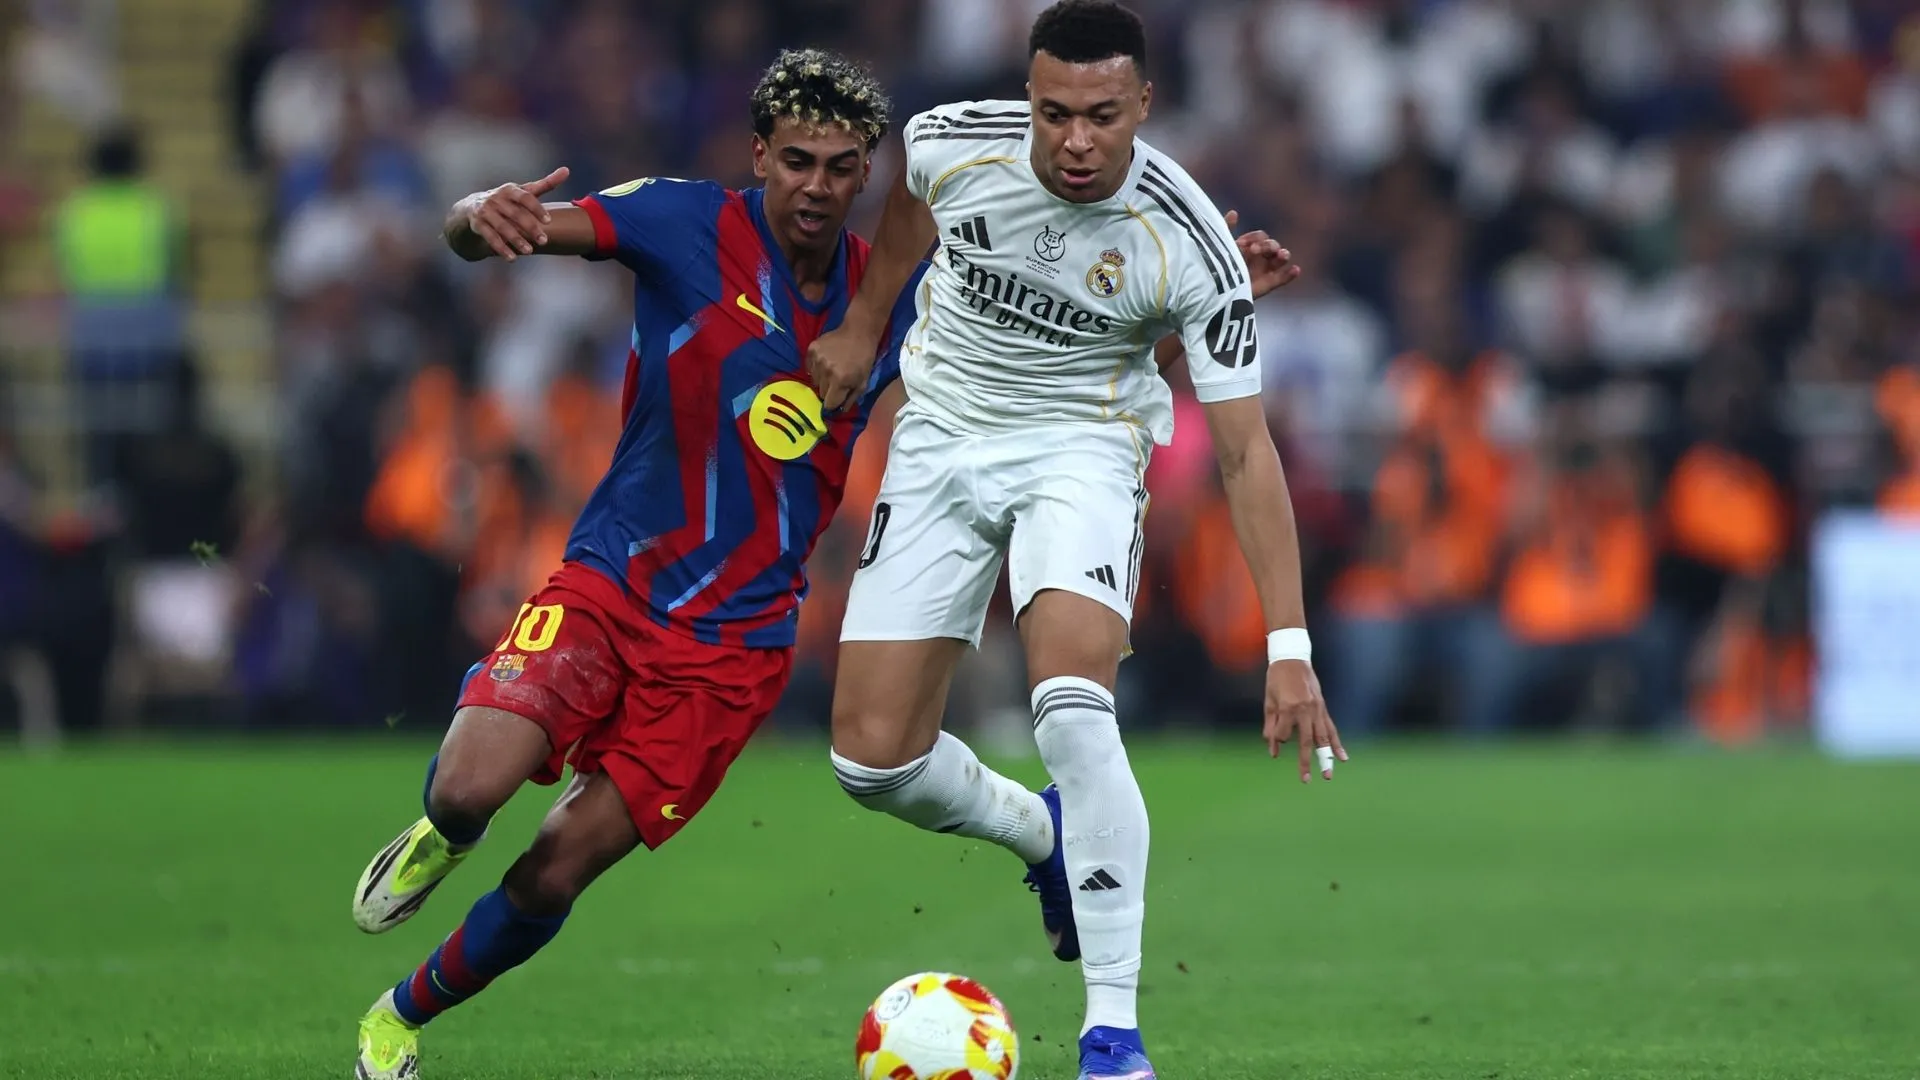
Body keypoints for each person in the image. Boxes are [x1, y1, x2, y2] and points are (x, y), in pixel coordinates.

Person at [346, 47, 1293, 1080]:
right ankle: (438, 836)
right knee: (468, 793)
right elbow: (490, 236)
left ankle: (396, 1017)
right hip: (611, 585)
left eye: (843, 167)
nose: (817, 186)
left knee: (556, 869)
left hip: (735, 648)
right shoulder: (680, 222)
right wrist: (477, 213)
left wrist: (1209, 312)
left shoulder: (901, 297)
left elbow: (1058, 389)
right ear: (760, 156)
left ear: (869, 174)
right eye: (797, 161)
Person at [803, 4, 1345, 1078]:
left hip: (1081, 452)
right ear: (1028, 98)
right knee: (871, 762)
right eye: (1054, 114)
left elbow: (1246, 457)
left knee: (1070, 708)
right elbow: (911, 194)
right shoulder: (955, 139)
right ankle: (1046, 837)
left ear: (1143, 105)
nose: (1076, 140)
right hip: (943, 435)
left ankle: (1113, 1037)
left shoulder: (1190, 244)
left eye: (1102, 115)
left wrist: (1291, 650)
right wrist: (867, 324)